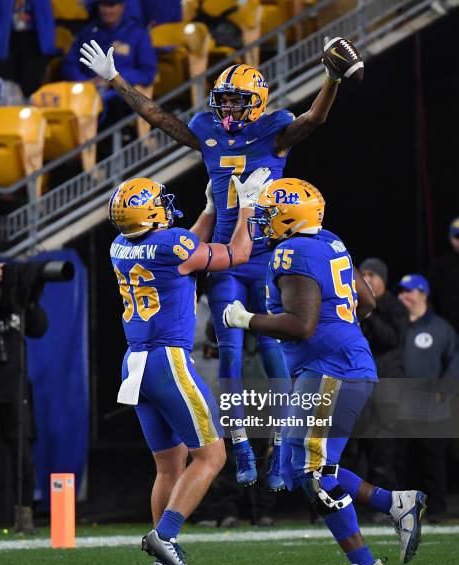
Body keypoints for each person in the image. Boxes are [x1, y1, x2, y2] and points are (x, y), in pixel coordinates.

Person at [78, 34, 360, 488]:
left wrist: (331, 79)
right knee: (228, 351)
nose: (226, 111)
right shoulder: (207, 129)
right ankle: (242, 443)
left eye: (236, 102)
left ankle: (282, 450)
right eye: (222, 102)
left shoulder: (275, 130)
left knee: (275, 352)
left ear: (257, 102)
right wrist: (116, 80)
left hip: (270, 255)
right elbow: (160, 118)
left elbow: (315, 117)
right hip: (227, 256)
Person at [223, 178, 427, 565]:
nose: (263, 220)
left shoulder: (293, 251)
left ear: (290, 217)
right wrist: (341, 332)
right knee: (297, 469)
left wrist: (244, 319)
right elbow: (366, 302)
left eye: (268, 213)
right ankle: (396, 503)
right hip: (328, 365)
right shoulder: (330, 240)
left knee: (314, 473)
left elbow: (301, 324)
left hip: (331, 370)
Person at [109, 168, 270, 565]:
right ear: (149, 215)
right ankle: (165, 535)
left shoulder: (119, 245)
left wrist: (211, 209)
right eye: (158, 205)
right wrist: (247, 206)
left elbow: (184, 247)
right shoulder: (171, 244)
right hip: (168, 360)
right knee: (212, 455)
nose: (166, 209)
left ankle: (162, 559)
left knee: (169, 465)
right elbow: (237, 254)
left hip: (135, 363)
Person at [397, 274, 459, 522]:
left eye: (408, 291)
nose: (403, 297)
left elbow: (454, 361)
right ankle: (403, 511)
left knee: (433, 461)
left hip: (434, 407)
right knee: (401, 462)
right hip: (401, 406)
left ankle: (437, 510)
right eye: (401, 292)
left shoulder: (441, 328)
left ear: (423, 293)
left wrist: (446, 389)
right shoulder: (397, 327)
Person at [0, 261, 48, 534]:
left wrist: (27, 300)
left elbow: (39, 328)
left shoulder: (14, 298)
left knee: (22, 454)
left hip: (12, 387)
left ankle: (24, 516)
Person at [355, 258, 409, 493]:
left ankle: (384, 500)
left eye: (371, 275)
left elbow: (391, 339)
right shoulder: (352, 306)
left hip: (386, 384)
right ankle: (357, 500)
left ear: (383, 280)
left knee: (384, 446)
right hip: (359, 382)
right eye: (362, 274)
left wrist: (368, 313)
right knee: (357, 445)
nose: (366, 279)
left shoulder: (395, 308)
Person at [63, 0, 157, 128]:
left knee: (114, 104)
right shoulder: (88, 33)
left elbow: (148, 73)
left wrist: (113, 79)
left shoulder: (138, 34)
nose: (107, 11)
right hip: (87, 91)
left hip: (120, 93)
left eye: (112, 6)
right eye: (103, 5)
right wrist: (86, 82)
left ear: (122, 7)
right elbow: (69, 65)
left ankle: (105, 146)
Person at [0, 0, 56, 97]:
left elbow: (45, 16)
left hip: (34, 40)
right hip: (5, 40)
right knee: (5, 88)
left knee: (32, 87)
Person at [429, 217, 459, 334]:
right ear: (450, 238)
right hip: (449, 330)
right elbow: (430, 299)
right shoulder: (439, 267)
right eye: (457, 236)